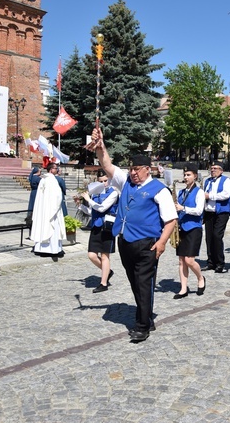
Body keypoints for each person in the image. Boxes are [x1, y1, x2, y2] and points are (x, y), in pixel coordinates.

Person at [91, 128, 177, 343]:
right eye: (131, 169)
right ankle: (146, 317)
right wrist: (101, 146)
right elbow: (107, 165)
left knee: (144, 283)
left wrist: (162, 243)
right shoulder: (126, 182)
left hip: (147, 244)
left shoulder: (159, 189)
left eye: (137, 169)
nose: (133, 173)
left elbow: (171, 220)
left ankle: (142, 326)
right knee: (134, 282)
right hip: (126, 240)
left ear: (148, 170)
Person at [77, 169, 119, 293]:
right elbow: (92, 212)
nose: (104, 183)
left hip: (107, 227)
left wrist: (88, 199)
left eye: (106, 181)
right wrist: (81, 205)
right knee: (91, 255)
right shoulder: (95, 194)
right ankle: (108, 271)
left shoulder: (113, 193)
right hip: (96, 226)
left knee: (105, 255)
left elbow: (102, 208)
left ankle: (103, 283)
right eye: (101, 181)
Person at [173, 164, 206, 298]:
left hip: (194, 228)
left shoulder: (199, 192)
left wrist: (183, 208)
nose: (186, 177)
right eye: (185, 175)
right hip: (181, 228)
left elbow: (199, 211)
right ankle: (183, 288)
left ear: (195, 176)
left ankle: (200, 278)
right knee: (181, 260)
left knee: (189, 260)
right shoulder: (181, 192)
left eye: (188, 175)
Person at [30, 162, 66, 258]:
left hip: (44, 208)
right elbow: (58, 196)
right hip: (51, 208)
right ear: (51, 169)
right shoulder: (51, 180)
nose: (57, 170)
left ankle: (41, 248)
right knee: (52, 227)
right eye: (55, 168)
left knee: (43, 226)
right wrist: (57, 205)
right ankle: (52, 249)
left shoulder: (44, 179)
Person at [203, 161, 230, 273]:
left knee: (217, 236)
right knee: (209, 237)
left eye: (216, 168)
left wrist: (209, 196)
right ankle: (211, 262)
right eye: (212, 168)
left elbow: (225, 195)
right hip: (209, 212)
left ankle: (220, 263)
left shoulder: (226, 180)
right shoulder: (207, 181)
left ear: (221, 170)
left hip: (221, 212)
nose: (213, 170)